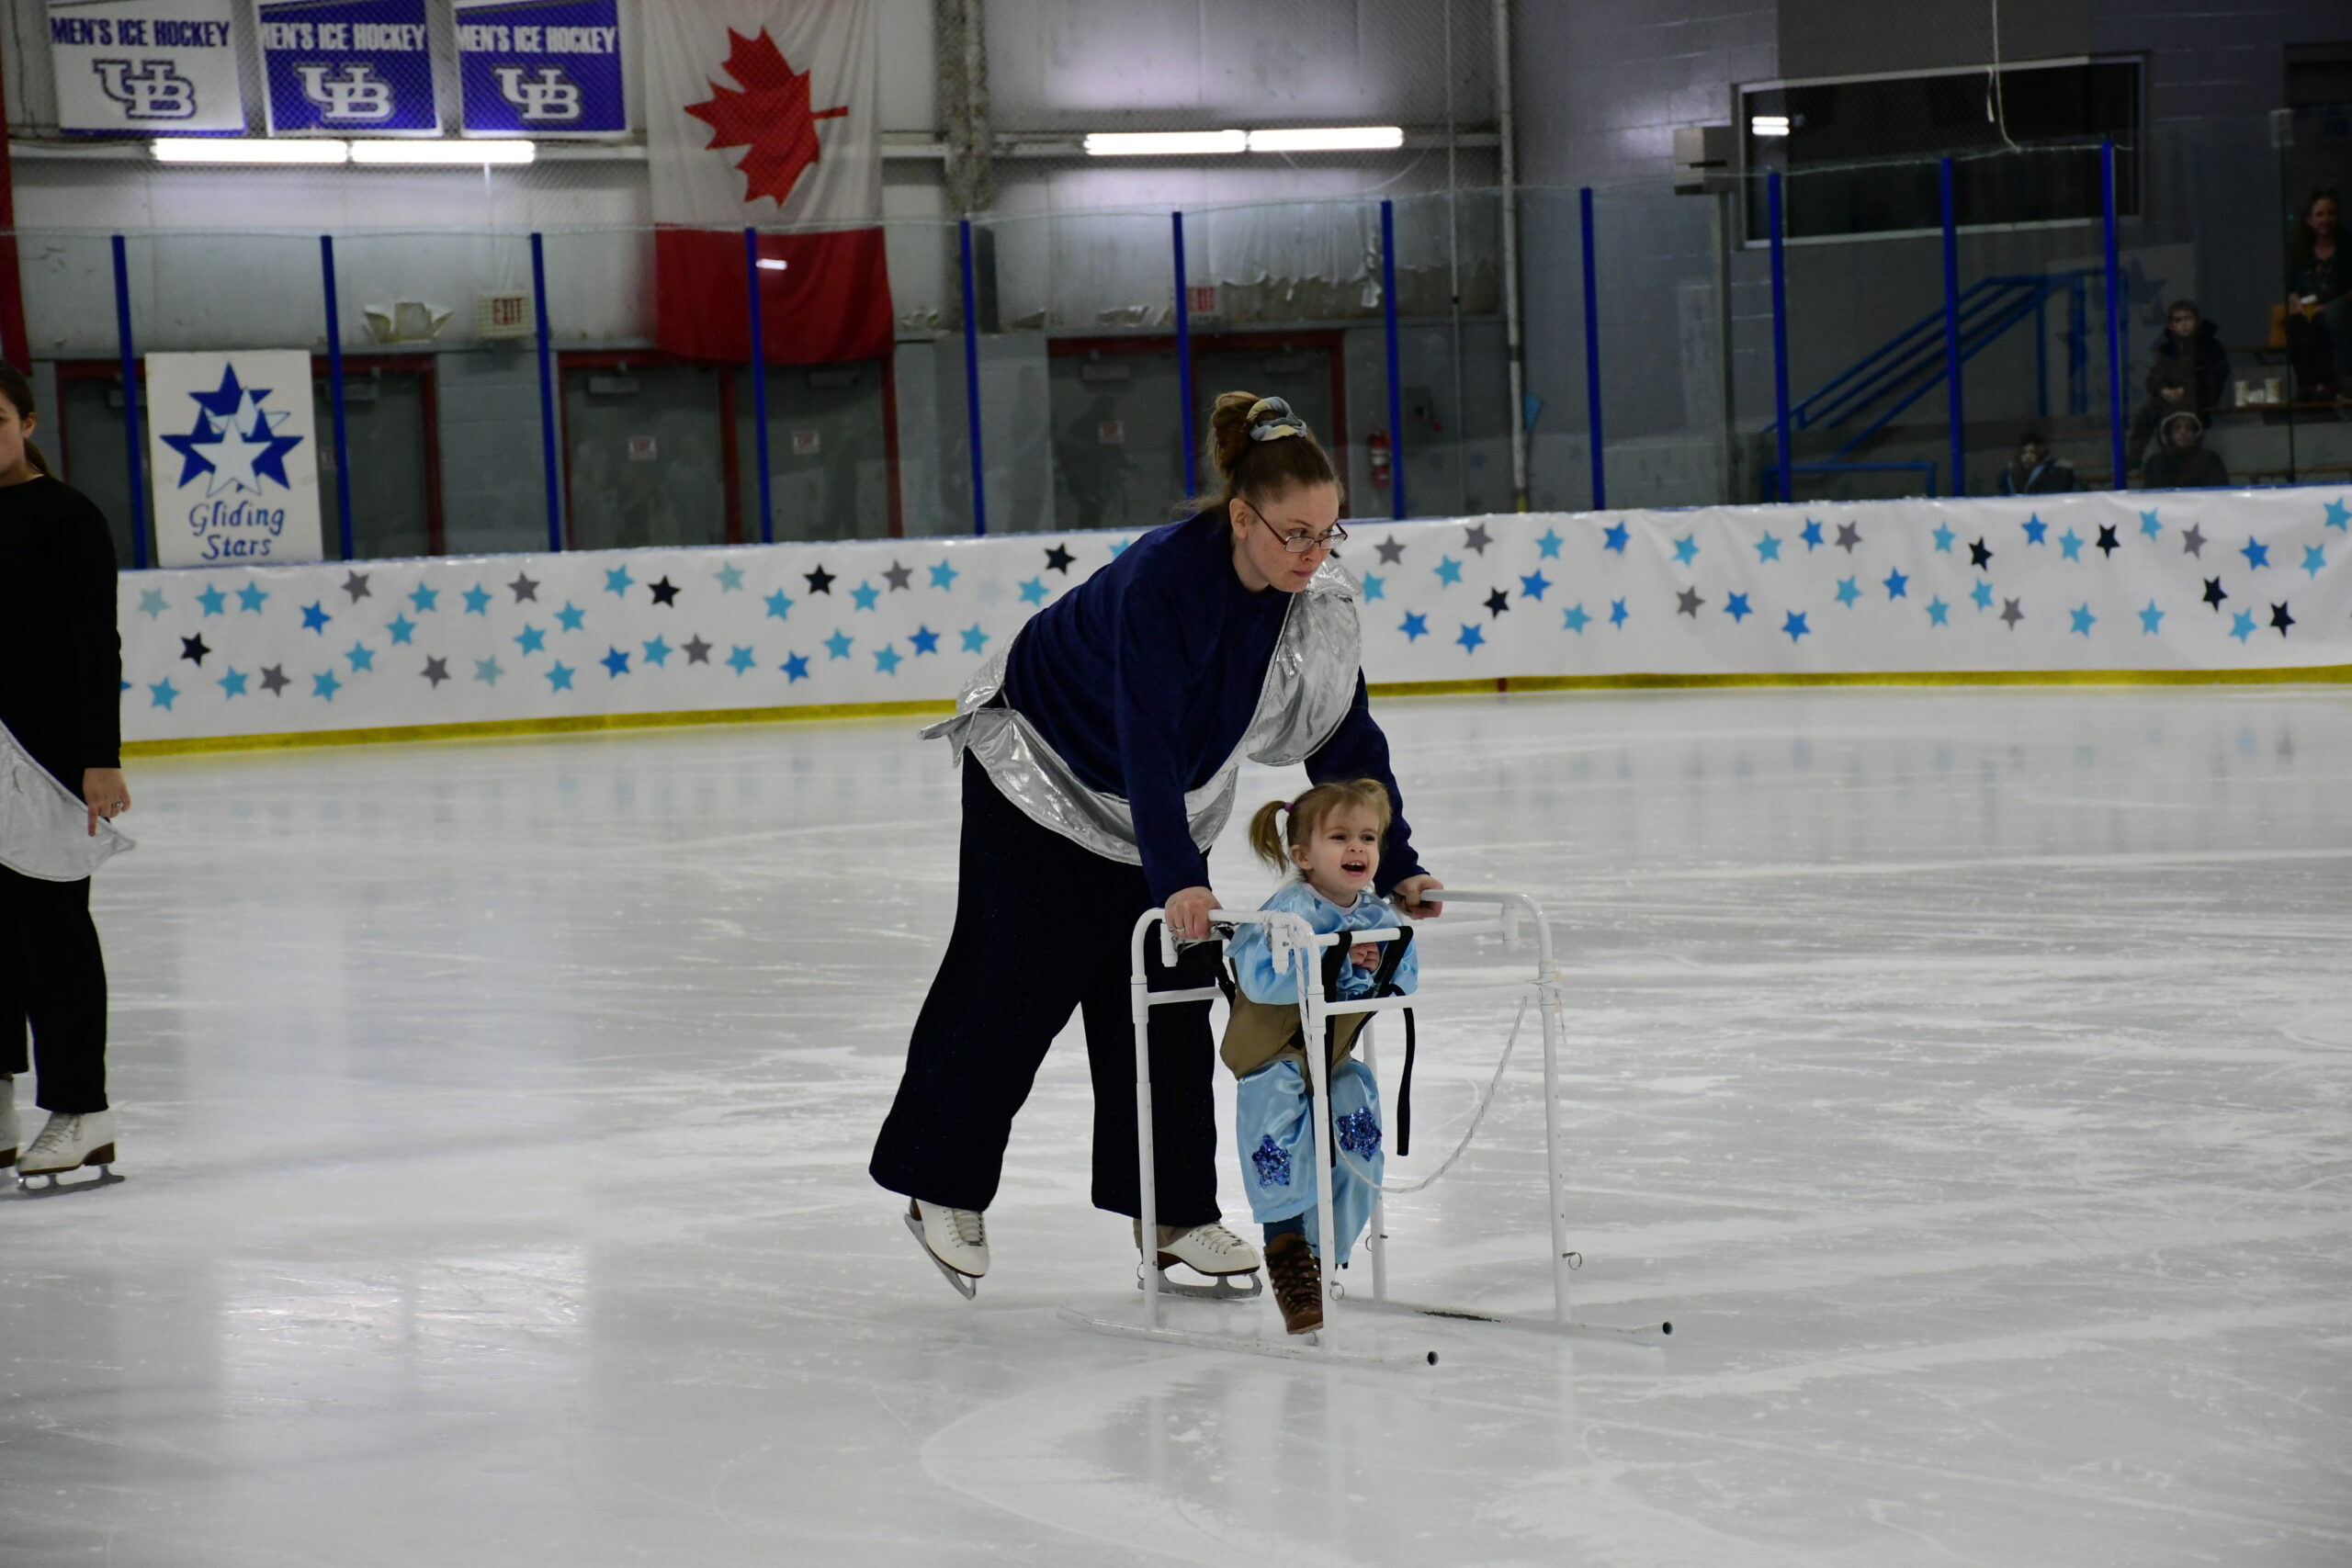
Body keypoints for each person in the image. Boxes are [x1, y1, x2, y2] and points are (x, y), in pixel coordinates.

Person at [870, 391, 1443, 1297]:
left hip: (1162, 801)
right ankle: (936, 1186)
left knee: (1171, 997)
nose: (1312, 552)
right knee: (1016, 980)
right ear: (1244, 517)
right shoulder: (1161, 583)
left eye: (1328, 533)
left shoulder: (1314, 600)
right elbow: (1144, 733)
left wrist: (1399, 862)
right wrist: (1175, 877)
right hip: (1044, 773)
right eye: (1293, 532)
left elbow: (1346, 741)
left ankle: (1173, 1211)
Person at [1221, 780, 1419, 1335]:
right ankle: (1286, 1246)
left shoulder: (1376, 912)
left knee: (1359, 1130)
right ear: (1303, 854)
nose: (1356, 849)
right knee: (1275, 1141)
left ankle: (1322, 1249)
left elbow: (1405, 974)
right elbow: (1262, 980)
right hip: (1270, 1056)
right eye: (1339, 837)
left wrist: (1373, 960)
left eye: (1367, 837)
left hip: (1331, 1056)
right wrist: (1334, 960)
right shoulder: (1287, 911)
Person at [0, 362, 130, 1188]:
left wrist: (99, 757)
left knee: (52, 934)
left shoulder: (66, 517)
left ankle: (81, 1109)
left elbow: (95, 643)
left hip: (45, 765)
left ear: (29, 423)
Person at [2125, 300, 2230, 474]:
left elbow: (2216, 377)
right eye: (2178, 320)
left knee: (2179, 415)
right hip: (2169, 399)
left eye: (2187, 319)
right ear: (2171, 325)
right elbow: (2154, 377)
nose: (2183, 324)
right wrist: (2163, 390)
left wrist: (2187, 390)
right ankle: (2133, 463)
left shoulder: (2211, 346)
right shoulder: (2166, 350)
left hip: (2200, 398)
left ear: (2198, 321)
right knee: (2147, 413)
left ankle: (2178, 466)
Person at [2285, 189, 2348, 401]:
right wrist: (2295, 301)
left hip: (2341, 308)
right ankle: (2309, 386)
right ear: (2309, 219)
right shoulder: (2300, 248)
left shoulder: (2348, 244)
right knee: (2296, 323)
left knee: (2326, 318)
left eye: (2331, 213)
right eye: (2319, 214)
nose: (2325, 219)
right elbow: (2292, 285)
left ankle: (2329, 384)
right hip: (2309, 307)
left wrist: (2329, 307)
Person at [2140, 410, 2230, 490]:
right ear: (2169, 434)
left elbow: (2219, 494)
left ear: (2196, 433)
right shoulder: (2155, 463)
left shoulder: (2210, 460)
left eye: (2188, 428)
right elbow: (2151, 497)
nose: (2183, 432)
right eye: (2177, 428)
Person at [1996, 431, 2076, 495]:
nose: (2027, 457)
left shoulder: (2055, 472)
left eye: (2032, 452)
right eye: (2024, 453)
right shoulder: (2009, 474)